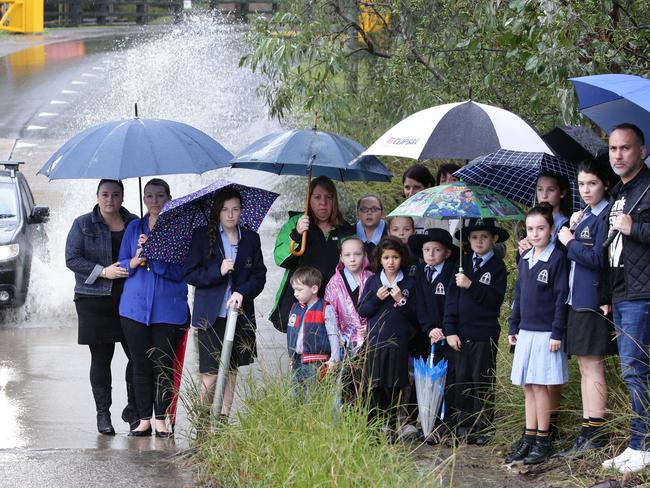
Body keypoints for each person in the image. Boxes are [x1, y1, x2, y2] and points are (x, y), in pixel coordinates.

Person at [184, 187, 266, 420]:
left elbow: (259, 276)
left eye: (235, 209)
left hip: (239, 314)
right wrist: (217, 271)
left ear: (241, 211)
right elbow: (190, 273)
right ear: (217, 212)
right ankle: (202, 422)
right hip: (211, 315)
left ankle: (222, 420)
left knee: (231, 371)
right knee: (210, 373)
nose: (230, 215)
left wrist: (242, 291)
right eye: (225, 210)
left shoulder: (251, 238)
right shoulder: (203, 236)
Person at [65, 179, 138, 435]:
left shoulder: (134, 222)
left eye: (116, 195)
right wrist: (103, 271)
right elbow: (72, 259)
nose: (110, 200)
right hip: (93, 299)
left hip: (129, 299)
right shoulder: (83, 224)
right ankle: (103, 414)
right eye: (105, 194)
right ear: (97, 196)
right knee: (101, 358)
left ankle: (133, 409)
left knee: (137, 357)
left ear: (122, 197)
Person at [118, 179, 189, 437]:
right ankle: (143, 419)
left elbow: (184, 269)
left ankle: (161, 418)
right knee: (140, 364)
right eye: (149, 196)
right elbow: (123, 264)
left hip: (169, 310)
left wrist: (156, 259)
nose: (154, 201)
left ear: (169, 198)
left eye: (160, 196)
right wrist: (137, 258)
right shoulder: (134, 228)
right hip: (134, 309)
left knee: (163, 364)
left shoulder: (180, 230)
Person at [601, 123, 650, 474]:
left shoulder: (649, 188)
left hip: (641, 292)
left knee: (637, 371)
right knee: (630, 369)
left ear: (642, 152)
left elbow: (633, 233)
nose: (618, 155)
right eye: (613, 149)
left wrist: (636, 228)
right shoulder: (620, 190)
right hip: (620, 289)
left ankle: (642, 445)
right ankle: (636, 442)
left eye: (625, 148)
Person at [557, 160, 614, 457]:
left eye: (592, 183)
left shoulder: (607, 214)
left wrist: (569, 241)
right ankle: (587, 429)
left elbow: (597, 260)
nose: (586, 189)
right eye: (581, 184)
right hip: (576, 299)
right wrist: (574, 229)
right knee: (584, 365)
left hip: (593, 300)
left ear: (604, 183)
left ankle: (596, 431)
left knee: (592, 365)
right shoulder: (587, 215)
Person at [505, 203, 569, 465]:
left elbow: (561, 298)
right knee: (528, 386)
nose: (535, 233)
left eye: (541, 228)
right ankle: (529, 436)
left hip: (546, 334)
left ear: (551, 229)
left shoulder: (556, 259)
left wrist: (557, 332)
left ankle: (543, 439)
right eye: (530, 229)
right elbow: (518, 295)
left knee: (541, 386)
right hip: (526, 331)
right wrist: (513, 325)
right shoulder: (526, 258)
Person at [442, 218, 509, 446]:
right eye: (474, 237)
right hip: (460, 333)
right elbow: (451, 301)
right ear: (467, 241)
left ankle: (482, 426)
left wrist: (471, 284)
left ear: (494, 239)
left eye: (484, 237)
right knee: (461, 379)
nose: (479, 241)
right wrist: (449, 330)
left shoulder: (497, 267)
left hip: (484, 332)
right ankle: (463, 423)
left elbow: (494, 300)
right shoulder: (461, 264)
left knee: (482, 379)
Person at [270, 176, 354, 332]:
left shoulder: (345, 229)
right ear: (309, 200)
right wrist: (297, 233)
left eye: (328, 197)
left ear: (334, 201)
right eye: (317, 197)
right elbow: (280, 259)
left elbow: (355, 265)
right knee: (299, 351)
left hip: (334, 302)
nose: (323, 203)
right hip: (299, 301)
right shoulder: (296, 222)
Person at [359, 237, 417, 440]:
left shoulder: (409, 282)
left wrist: (401, 299)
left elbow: (414, 315)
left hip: (398, 342)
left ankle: (392, 427)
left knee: (395, 385)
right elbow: (363, 310)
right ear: (380, 260)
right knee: (375, 385)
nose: (391, 262)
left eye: (395, 257)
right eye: (386, 257)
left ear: (402, 258)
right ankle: (374, 427)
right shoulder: (373, 281)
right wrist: (377, 298)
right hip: (376, 341)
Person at [407, 228, 458, 441]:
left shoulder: (453, 273)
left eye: (437, 250)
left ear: (446, 253)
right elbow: (418, 304)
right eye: (427, 249)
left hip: (445, 333)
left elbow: (452, 304)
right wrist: (428, 328)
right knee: (422, 376)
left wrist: (444, 330)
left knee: (443, 378)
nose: (431, 254)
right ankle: (421, 421)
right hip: (425, 332)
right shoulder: (418, 271)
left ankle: (441, 423)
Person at [287, 266, 340, 394]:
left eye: (299, 289)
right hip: (297, 361)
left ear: (314, 289)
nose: (295, 293)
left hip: (317, 362)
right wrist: (291, 356)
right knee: (295, 396)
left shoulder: (325, 308)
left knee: (315, 396)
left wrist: (334, 359)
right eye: (294, 290)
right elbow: (292, 334)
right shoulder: (295, 308)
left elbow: (333, 335)